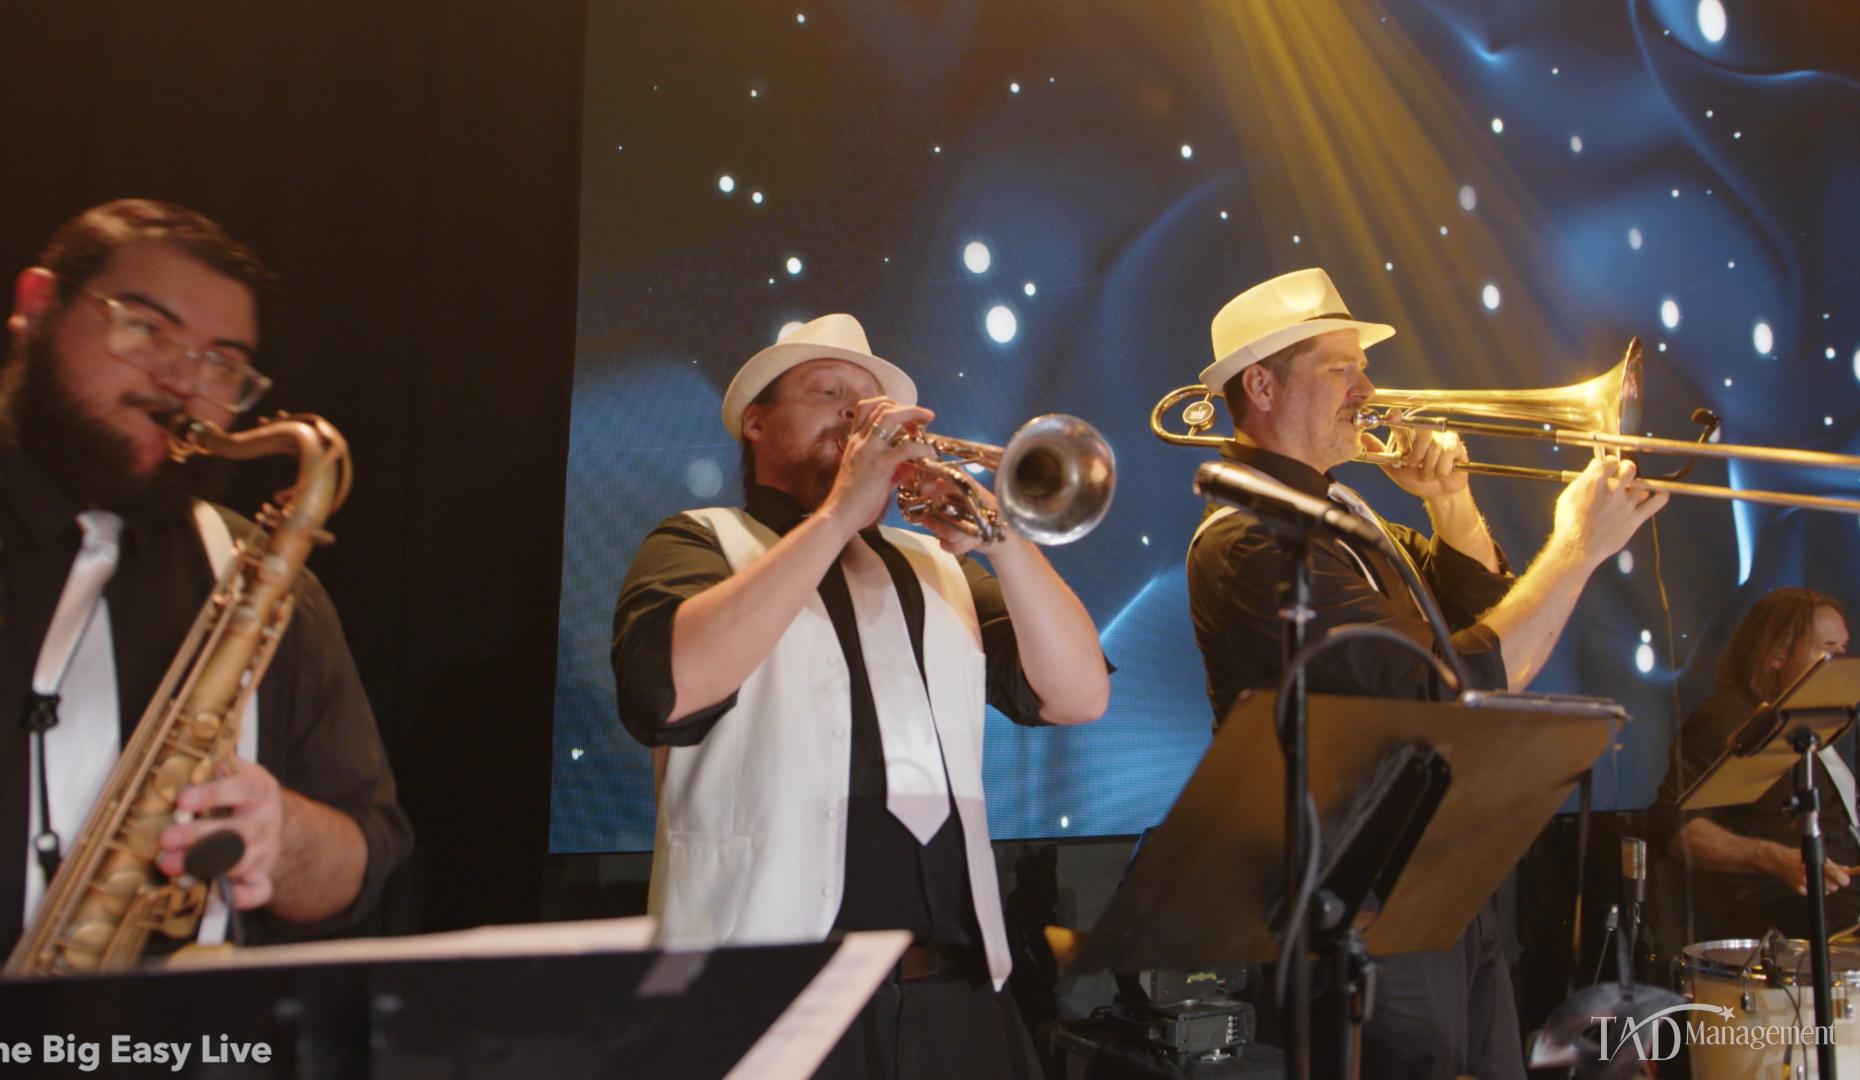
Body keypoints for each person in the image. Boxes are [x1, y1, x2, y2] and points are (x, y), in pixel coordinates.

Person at [1185, 269, 1666, 1079]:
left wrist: (1451, 503)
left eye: (1361, 367)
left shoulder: (1345, 517)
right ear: (1261, 386)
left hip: (1433, 884)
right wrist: (1578, 548)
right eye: (1339, 368)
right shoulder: (1250, 541)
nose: (1368, 390)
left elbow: (1477, 618)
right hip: (1355, 908)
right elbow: (1460, 683)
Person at [612, 314, 1110, 1080]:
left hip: (952, 995)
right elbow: (666, 689)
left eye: (870, 404)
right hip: (765, 998)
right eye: (828, 394)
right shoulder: (701, 541)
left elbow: (1077, 695)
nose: (857, 416)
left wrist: (999, 537)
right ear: (755, 422)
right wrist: (840, 512)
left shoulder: (938, 566)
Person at [0, 200, 412, 967]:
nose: (181, 381)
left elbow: (363, 860)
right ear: (36, 306)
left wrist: (284, 833)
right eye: (145, 328)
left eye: (221, 362)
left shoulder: (262, 575)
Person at [1650, 588, 1854, 939]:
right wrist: (1775, 858)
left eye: (1843, 648)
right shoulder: (1727, 717)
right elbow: (1675, 825)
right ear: (1777, 655)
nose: (1840, 661)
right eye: (1827, 648)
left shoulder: (1817, 720)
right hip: (1788, 911)